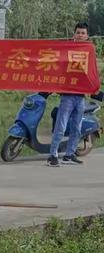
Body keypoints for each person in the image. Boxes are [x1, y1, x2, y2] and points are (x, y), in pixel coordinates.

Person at [47, 22, 91, 167]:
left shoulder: (88, 52)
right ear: (74, 34)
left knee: (77, 128)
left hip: (80, 96)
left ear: (87, 36)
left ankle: (69, 155)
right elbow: (58, 68)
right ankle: (52, 156)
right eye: (78, 32)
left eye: (83, 33)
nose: (80, 35)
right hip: (67, 95)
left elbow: (91, 73)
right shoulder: (66, 50)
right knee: (60, 126)